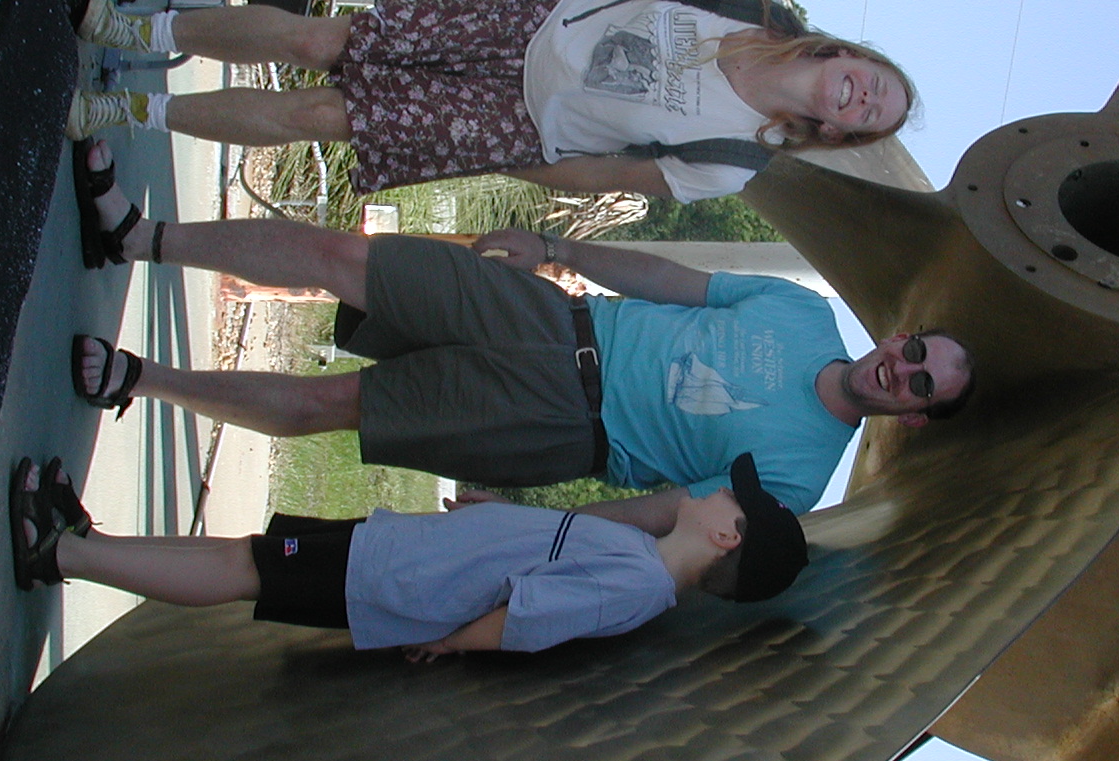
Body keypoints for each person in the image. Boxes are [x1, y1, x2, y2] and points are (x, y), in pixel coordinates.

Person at [68, 148, 975, 523]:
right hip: (552, 316)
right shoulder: (802, 314)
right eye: (915, 352)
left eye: (923, 385)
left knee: (334, 406)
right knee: (345, 257)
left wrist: (541, 526)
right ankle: (135, 235)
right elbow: (669, 280)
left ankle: (137, 381)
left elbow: (667, 516)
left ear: (915, 416)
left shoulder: (798, 479)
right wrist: (555, 249)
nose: (903, 371)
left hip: (557, 424)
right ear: (898, 337)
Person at [66, 0, 916, 206]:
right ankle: (140, 29)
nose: (864, 95)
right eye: (875, 79)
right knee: (320, 40)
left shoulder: (732, 163)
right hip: (524, 14)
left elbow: (605, 176)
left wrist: (503, 158)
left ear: (841, 132)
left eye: (871, 114)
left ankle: (129, 109)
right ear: (851, 55)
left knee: (319, 118)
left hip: (516, 123)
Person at [7, 453, 811, 657]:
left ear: (727, 537)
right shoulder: (637, 553)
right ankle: (87, 541)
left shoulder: (637, 584)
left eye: (731, 499)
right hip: (404, 556)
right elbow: (544, 555)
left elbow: (528, 618)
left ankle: (62, 556)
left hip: (400, 581)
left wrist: (448, 643)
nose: (717, 492)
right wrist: (501, 515)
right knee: (244, 554)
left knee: (242, 568)